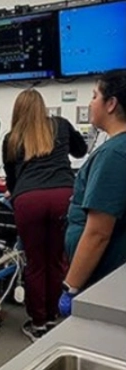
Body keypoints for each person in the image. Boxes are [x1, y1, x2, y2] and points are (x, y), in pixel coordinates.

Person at [2, 89, 87, 342]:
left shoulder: (11, 138)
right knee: (58, 259)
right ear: (44, 108)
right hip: (62, 195)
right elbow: (81, 151)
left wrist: (16, 194)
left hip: (29, 200)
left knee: (36, 263)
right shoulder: (60, 125)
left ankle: (39, 323)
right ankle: (59, 317)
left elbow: (12, 179)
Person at [59, 70, 126, 318]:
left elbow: (98, 232)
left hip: (103, 274)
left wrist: (71, 287)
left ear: (111, 104)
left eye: (94, 96)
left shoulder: (114, 155)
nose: (90, 103)